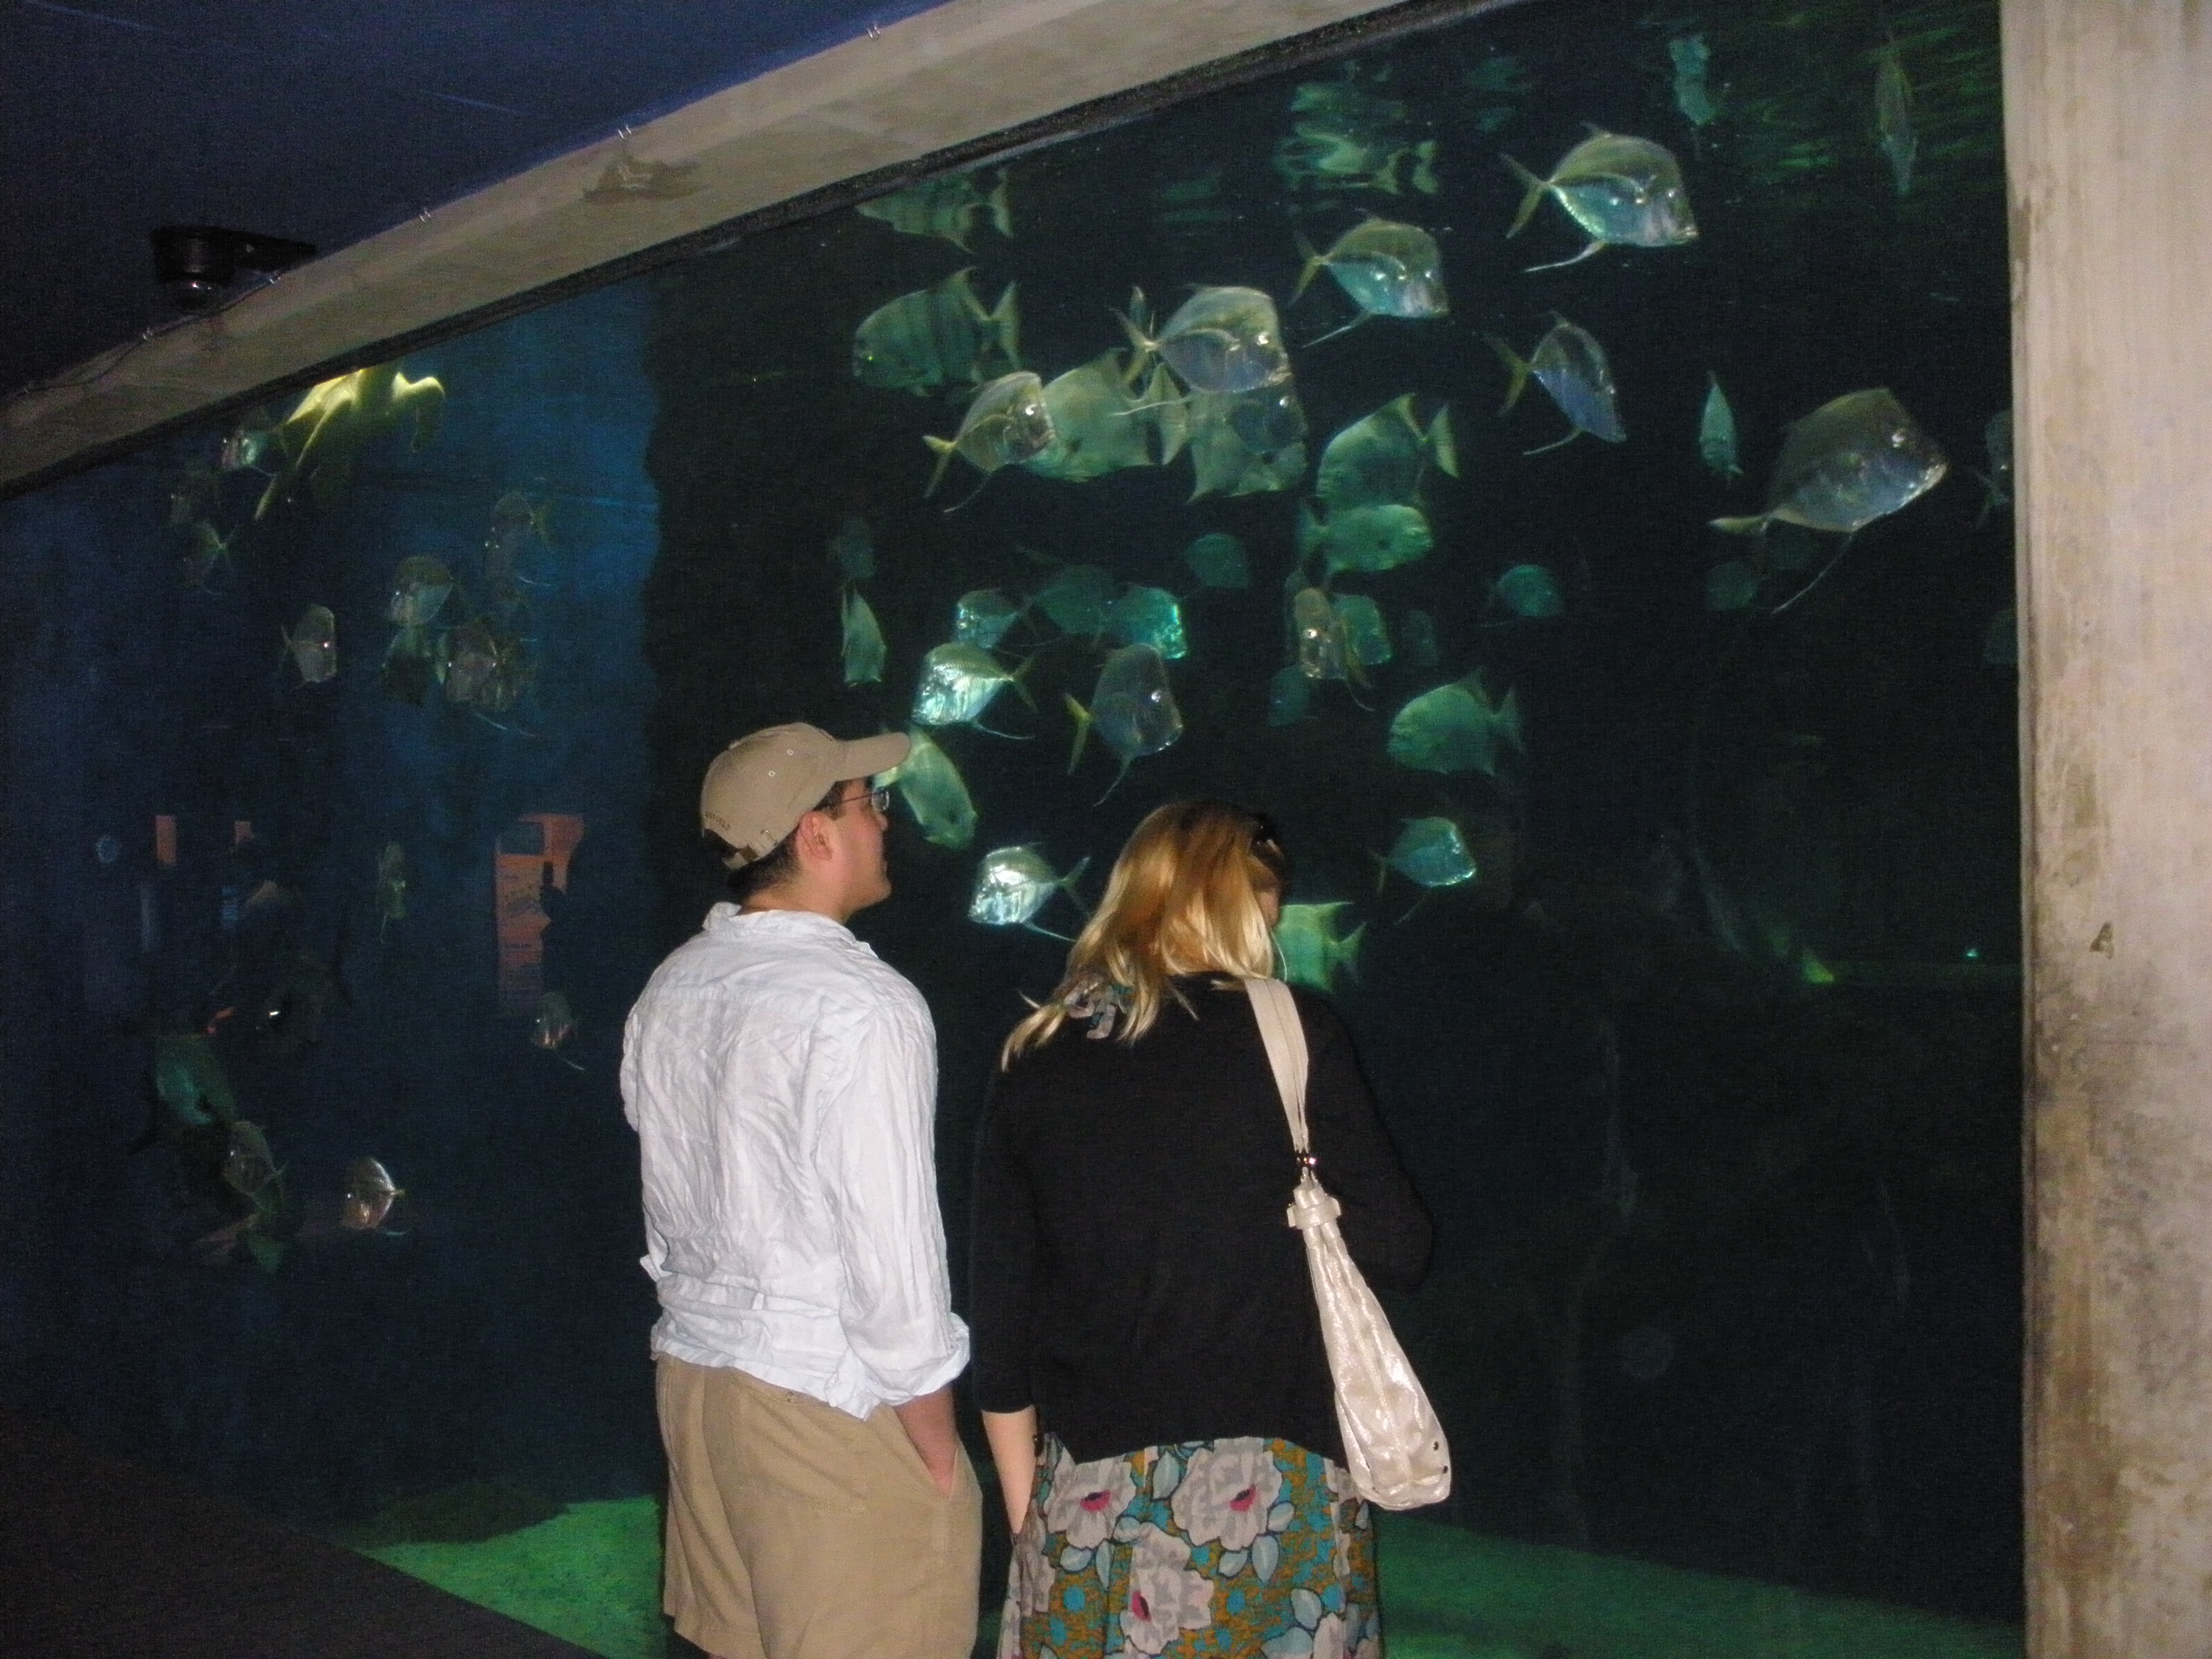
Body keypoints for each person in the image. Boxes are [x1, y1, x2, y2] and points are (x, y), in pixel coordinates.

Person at [970, 800, 1432, 1659]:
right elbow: (1402, 1249)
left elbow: (999, 1321)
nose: (1275, 919)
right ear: (1237, 901)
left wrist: (1029, 1517)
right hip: (1275, 1485)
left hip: (1087, 1494)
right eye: (1269, 896)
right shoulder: (1291, 1030)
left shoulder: (1035, 1050)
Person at [621, 722, 982, 1659]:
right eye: (868, 805)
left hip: (698, 1391)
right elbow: (891, 1256)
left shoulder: (674, 985)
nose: (885, 823)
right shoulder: (864, 1005)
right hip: (829, 1405)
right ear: (816, 834)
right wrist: (936, 1446)